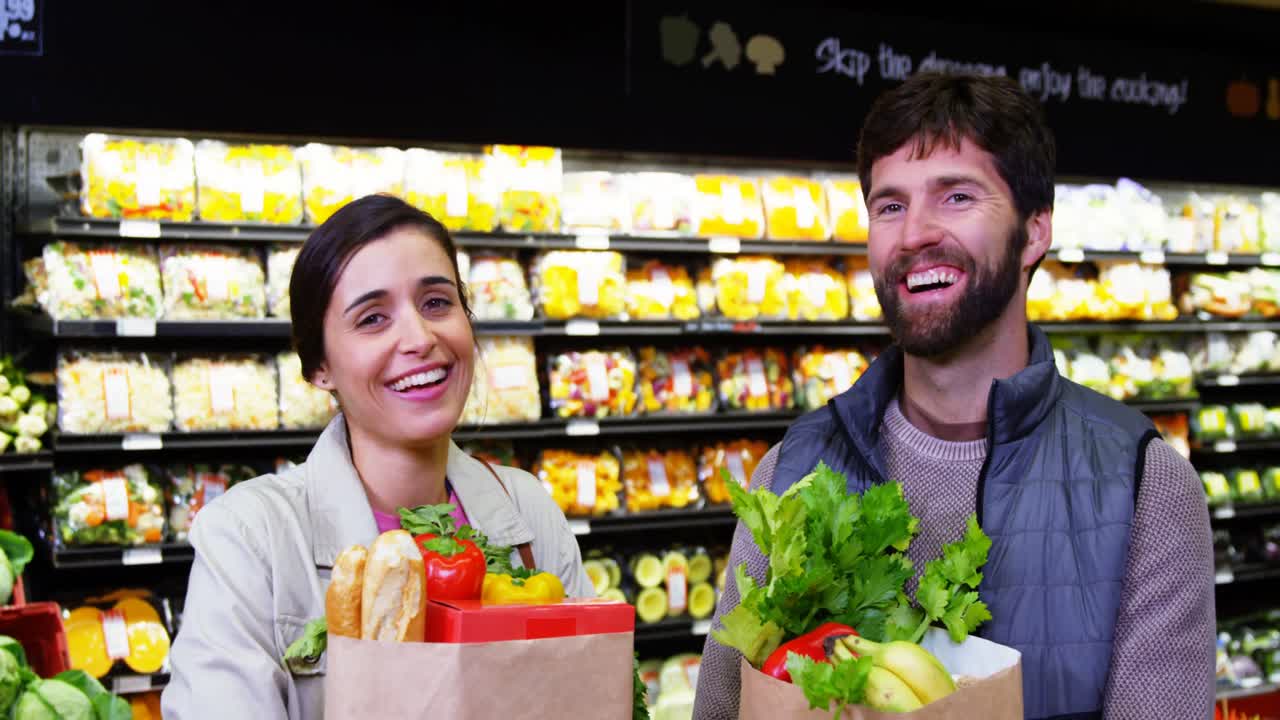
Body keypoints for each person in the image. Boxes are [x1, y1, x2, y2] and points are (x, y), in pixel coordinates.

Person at [693, 73, 1215, 720]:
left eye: (957, 196)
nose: (914, 234)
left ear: (1034, 231)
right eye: (889, 206)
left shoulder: (1144, 487)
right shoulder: (792, 473)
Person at [162, 194, 592, 720]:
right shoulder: (250, 536)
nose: (419, 338)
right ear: (319, 366)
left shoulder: (526, 508)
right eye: (371, 318)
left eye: (436, 302)